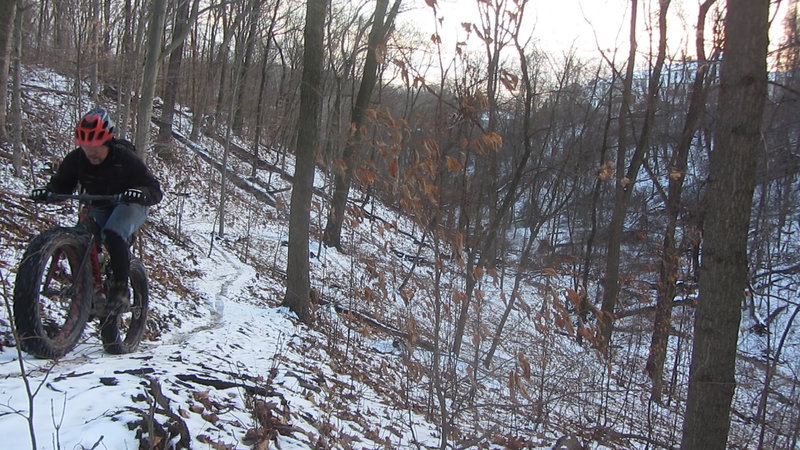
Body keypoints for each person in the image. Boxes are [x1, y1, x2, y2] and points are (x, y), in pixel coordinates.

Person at [31, 107, 163, 313]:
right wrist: (48, 193)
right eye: (85, 146)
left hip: (130, 205)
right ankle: (90, 289)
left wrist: (138, 192)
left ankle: (121, 290)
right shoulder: (77, 159)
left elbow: (154, 189)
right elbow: (62, 186)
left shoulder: (125, 158)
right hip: (99, 205)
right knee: (83, 238)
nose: (91, 151)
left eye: (96, 146)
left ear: (107, 142)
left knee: (113, 232)